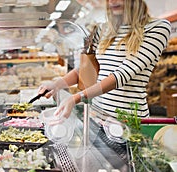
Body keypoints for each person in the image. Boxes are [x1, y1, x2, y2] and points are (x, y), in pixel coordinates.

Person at [38, 0, 171, 119]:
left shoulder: (157, 27)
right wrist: (57, 85)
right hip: (98, 116)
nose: (112, 1)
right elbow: (87, 70)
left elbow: (123, 74)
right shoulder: (103, 29)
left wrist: (76, 98)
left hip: (129, 120)